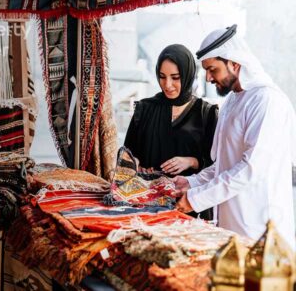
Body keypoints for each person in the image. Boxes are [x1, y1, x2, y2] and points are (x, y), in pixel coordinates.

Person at [174, 25, 296, 249]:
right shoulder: (232, 100)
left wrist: (195, 199)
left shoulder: (267, 101)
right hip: (231, 225)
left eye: (213, 69)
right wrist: (190, 182)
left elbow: (249, 169)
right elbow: (224, 164)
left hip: (260, 228)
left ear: (234, 63)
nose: (209, 78)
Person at [124, 44, 218, 220]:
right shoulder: (144, 109)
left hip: (190, 207)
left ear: (189, 74)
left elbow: (219, 165)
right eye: (162, 77)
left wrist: (191, 161)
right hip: (145, 206)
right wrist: (135, 165)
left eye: (175, 77)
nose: (167, 85)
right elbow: (128, 155)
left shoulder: (206, 114)